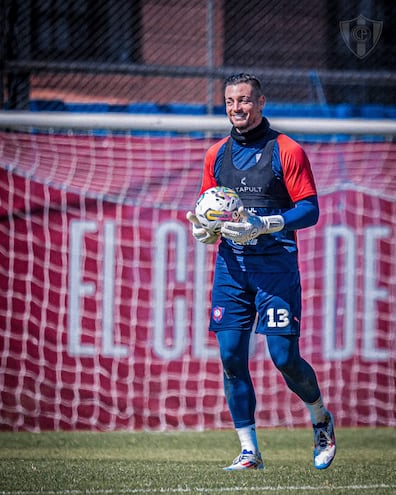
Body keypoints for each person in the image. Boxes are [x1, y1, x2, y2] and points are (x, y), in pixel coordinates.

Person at [187, 73, 336, 471]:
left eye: (245, 100)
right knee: (232, 357)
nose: (238, 107)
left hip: (275, 268)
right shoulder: (216, 154)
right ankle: (249, 452)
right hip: (232, 269)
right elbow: (206, 205)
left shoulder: (286, 149)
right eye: (231, 101)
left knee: (284, 357)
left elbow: (310, 210)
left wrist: (265, 223)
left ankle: (320, 416)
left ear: (262, 102)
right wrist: (203, 228)